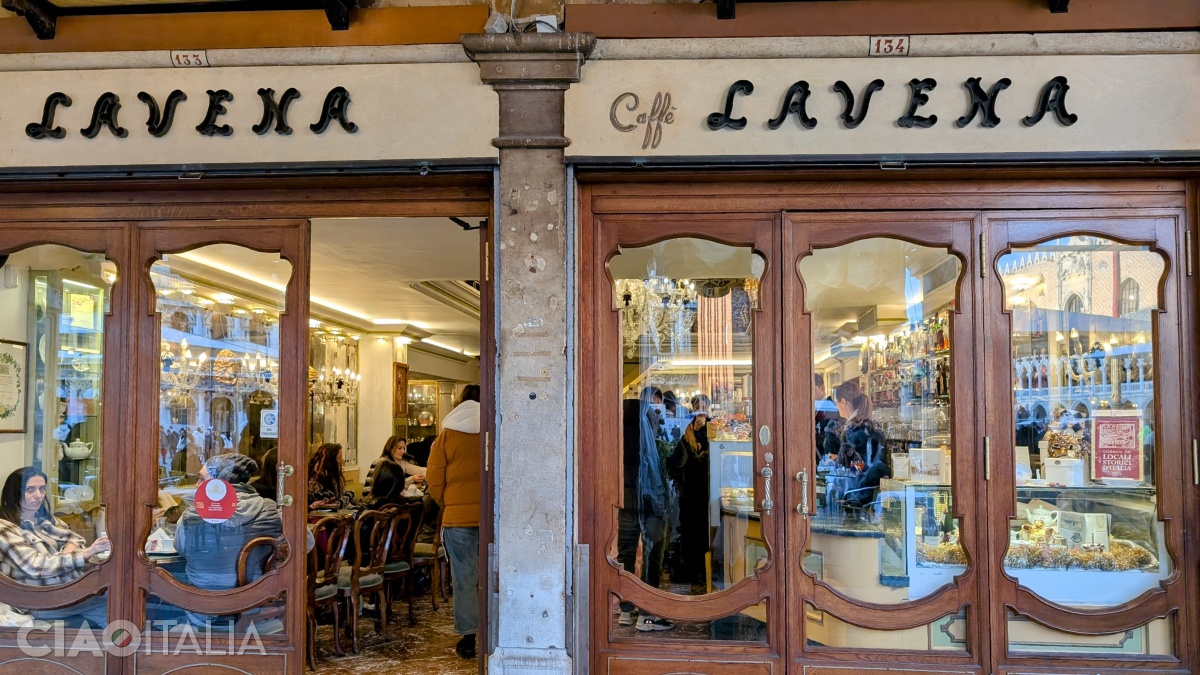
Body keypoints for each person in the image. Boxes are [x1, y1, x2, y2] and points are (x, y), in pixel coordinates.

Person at [0, 467, 111, 626]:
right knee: (113, 607)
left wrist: (70, 548)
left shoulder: (47, 520)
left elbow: (75, 538)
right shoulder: (4, 529)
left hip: (68, 590)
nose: (38, 495)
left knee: (116, 601)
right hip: (39, 599)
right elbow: (36, 566)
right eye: (30, 490)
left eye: (42, 489)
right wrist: (84, 554)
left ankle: (119, 639)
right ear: (13, 493)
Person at [616, 386, 686, 632]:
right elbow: (678, 459)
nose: (659, 410)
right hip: (651, 498)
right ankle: (647, 614)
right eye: (657, 405)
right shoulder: (655, 425)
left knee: (626, 552)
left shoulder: (619, 422)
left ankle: (626, 610)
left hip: (625, 497)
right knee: (652, 554)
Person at [426, 384, 482, 659]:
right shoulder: (494, 428)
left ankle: (469, 637)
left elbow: (434, 479)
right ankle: (499, 632)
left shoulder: (446, 435)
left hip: (457, 520)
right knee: (495, 575)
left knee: (464, 578)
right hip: (491, 518)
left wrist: (448, 504)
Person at [671, 394, 711, 591]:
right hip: (688, 490)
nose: (700, 410)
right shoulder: (685, 428)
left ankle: (706, 573)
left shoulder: (714, 428)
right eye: (697, 406)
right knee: (689, 532)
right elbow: (677, 459)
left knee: (705, 532)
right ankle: (693, 574)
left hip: (707, 490)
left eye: (704, 406)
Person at [832, 381, 887, 509]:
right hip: (873, 492)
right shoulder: (871, 425)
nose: (836, 408)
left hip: (858, 494)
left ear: (843, 402)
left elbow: (861, 466)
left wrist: (842, 464)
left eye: (836, 404)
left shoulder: (855, 429)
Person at [308, 443, 354, 509]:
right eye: (339, 458)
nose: (342, 461)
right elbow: (332, 504)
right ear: (330, 461)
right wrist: (350, 495)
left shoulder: (332, 477)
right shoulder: (316, 479)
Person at [813, 374, 842, 460]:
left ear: (822, 388)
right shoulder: (814, 407)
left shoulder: (831, 408)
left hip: (827, 457)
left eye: (813, 390)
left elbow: (833, 437)